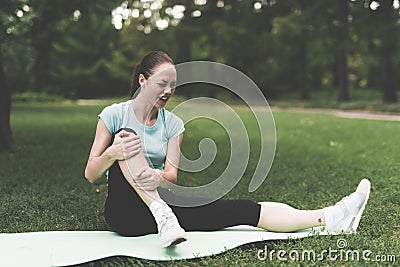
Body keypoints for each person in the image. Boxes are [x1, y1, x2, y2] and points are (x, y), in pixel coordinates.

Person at [84, 51, 371, 248]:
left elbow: (172, 175)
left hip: (165, 203)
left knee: (243, 211)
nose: (169, 90)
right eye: (162, 83)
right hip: (125, 213)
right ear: (142, 81)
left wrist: (157, 176)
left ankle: (331, 217)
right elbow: (91, 174)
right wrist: (113, 152)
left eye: (173, 84)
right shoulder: (114, 115)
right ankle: (162, 214)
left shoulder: (173, 124)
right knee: (126, 137)